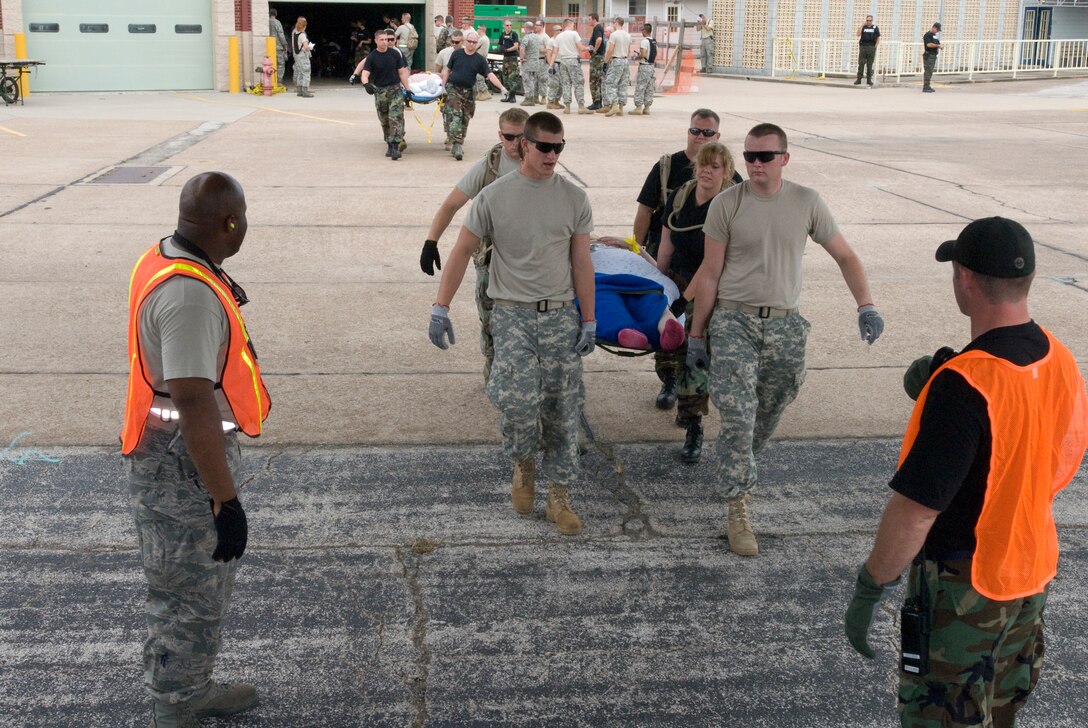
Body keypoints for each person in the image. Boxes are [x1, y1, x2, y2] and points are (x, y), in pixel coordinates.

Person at [845, 217, 1088, 727]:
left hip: (965, 591)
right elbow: (1057, 458)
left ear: (965, 279)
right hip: (1030, 575)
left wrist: (873, 584)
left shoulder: (964, 384)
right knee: (1000, 713)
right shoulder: (1058, 358)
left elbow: (914, 513)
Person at [686, 122, 884, 557]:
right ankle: (737, 506)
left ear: (784, 159)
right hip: (733, 321)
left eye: (765, 157)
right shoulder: (726, 204)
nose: (756, 164)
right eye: (750, 156)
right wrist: (697, 334)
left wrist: (865, 304)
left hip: (784, 324)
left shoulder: (806, 201)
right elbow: (711, 273)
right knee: (738, 413)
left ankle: (737, 460)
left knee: (773, 404)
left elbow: (846, 255)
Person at [122, 171, 270, 728]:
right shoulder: (188, 295)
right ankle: (178, 706)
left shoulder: (162, 257)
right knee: (190, 594)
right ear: (229, 223)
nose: (247, 226)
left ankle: (188, 688)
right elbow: (192, 400)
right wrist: (225, 501)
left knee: (188, 590)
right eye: (245, 216)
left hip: (170, 457)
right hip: (182, 467)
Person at [429, 112, 595, 537]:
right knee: (518, 405)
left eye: (560, 147)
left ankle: (559, 493)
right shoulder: (494, 196)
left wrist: (590, 318)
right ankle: (523, 463)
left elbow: (581, 261)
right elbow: (463, 251)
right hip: (513, 315)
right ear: (525, 146)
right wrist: (440, 306)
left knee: (563, 410)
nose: (552, 155)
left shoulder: (575, 199)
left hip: (559, 314)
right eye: (545, 147)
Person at [420, 108, 529, 381]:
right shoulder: (488, 167)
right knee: (491, 322)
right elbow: (451, 204)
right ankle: (495, 372)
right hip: (491, 259)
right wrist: (431, 241)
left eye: (523, 136)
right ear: (500, 135)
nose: (516, 144)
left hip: (530, 258)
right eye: (509, 136)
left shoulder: (542, 161)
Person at [632, 109, 726, 411]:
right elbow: (645, 211)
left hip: (711, 277)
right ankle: (669, 380)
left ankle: (692, 419)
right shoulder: (669, 168)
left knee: (697, 344)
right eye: (695, 131)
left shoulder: (732, 189)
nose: (699, 136)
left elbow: (714, 262)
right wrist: (635, 249)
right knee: (667, 337)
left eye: (707, 133)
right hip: (672, 268)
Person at [655, 142, 738, 463]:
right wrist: (658, 287)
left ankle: (693, 426)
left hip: (708, 288)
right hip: (675, 280)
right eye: (703, 164)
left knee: (694, 354)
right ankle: (669, 382)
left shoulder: (728, 205)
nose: (707, 170)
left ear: (726, 172)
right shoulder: (680, 197)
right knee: (662, 341)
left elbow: (712, 264)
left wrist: (683, 301)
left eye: (715, 166)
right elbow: (665, 244)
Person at [441, 31, 509, 161]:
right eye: (469, 41)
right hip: (453, 89)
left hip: (468, 93)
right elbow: (447, 70)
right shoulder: (456, 54)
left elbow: (490, 75)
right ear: (465, 42)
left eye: (474, 42)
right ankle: (456, 145)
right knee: (455, 115)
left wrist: (501, 87)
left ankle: (458, 141)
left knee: (465, 119)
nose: (471, 44)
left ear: (477, 44)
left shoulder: (480, 60)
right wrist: (443, 87)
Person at [351, 29, 410, 160]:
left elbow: (402, 73)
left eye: (387, 40)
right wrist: (366, 84)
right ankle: (389, 143)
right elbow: (365, 73)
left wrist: (408, 89)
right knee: (384, 120)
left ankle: (395, 146)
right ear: (376, 40)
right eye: (382, 40)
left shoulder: (395, 54)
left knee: (395, 118)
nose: (385, 42)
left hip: (395, 90)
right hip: (380, 92)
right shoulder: (372, 56)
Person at [434, 30, 464, 149]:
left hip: (463, 88)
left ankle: (458, 137)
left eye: (457, 42)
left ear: (462, 41)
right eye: (452, 42)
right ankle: (450, 136)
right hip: (448, 87)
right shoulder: (444, 53)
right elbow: (437, 70)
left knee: (463, 115)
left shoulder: (469, 52)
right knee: (448, 113)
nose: (454, 44)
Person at [555, 18, 591, 114]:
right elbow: (580, 47)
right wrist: (588, 48)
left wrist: (551, 65)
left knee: (566, 84)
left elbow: (555, 52)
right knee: (578, 83)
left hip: (563, 61)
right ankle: (581, 106)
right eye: (573, 25)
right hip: (573, 61)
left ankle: (567, 107)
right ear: (569, 25)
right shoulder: (574, 34)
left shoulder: (558, 36)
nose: (573, 26)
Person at [601, 16, 632, 117]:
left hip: (616, 60)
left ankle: (614, 105)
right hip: (625, 60)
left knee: (610, 83)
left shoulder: (614, 35)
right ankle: (621, 108)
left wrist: (605, 62)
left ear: (616, 23)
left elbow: (610, 50)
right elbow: (629, 50)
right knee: (623, 84)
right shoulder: (628, 35)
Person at [630, 23, 657, 115]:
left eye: (642, 30)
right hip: (651, 66)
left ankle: (638, 107)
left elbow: (643, 55)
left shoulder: (644, 41)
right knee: (649, 87)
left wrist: (635, 58)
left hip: (644, 66)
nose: (641, 32)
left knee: (641, 86)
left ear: (645, 31)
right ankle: (647, 107)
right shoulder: (654, 41)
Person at [519, 21, 544, 107]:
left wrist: (521, 58)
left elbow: (522, 48)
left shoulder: (526, 37)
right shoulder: (537, 37)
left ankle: (528, 99)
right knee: (532, 81)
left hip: (527, 63)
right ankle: (532, 97)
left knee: (526, 80)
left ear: (525, 28)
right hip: (535, 63)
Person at [498, 20, 522, 103]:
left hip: (512, 58)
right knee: (505, 77)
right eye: (507, 25)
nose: (509, 27)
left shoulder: (514, 34)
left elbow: (516, 46)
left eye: (510, 25)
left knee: (513, 77)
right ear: (504, 26)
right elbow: (500, 45)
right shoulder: (502, 35)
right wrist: (501, 49)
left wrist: (507, 50)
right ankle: (507, 96)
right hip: (505, 58)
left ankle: (513, 96)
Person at [291, 17, 315, 97]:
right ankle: (305, 91)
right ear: (304, 26)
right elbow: (306, 46)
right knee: (306, 73)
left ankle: (299, 90)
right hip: (303, 56)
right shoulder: (302, 35)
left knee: (300, 73)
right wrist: (310, 47)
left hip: (296, 55)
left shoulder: (294, 32)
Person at [588, 14, 606, 110]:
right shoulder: (599, 27)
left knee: (594, 80)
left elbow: (599, 39)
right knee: (597, 80)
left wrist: (595, 50)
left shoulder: (597, 28)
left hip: (597, 58)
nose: (588, 21)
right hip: (599, 57)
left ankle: (596, 102)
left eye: (589, 19)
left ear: (594, 19)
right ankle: (598, 101)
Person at [855, 15, 880, 86]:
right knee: (861, 63)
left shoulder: (875, 28)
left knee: (870, 64)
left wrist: (875, 46)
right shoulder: (863, 27)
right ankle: (859, 79)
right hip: (863, 47)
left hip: (871, 47)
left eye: (870, 20)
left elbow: (878, 37)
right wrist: (862, 25)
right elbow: (857, 34)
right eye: (867, 20)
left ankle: (869, 79)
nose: (868, 22)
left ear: (872, 21)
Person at [544, 24, 563, 109]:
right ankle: (550, 101)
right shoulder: (551, 41)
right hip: (554, 64)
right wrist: (550, 65)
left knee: (560, 84)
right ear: (556, 31)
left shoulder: (560, 40)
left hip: (561, 64)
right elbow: (548, 54)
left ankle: (556, 101)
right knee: (553, 84)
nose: (561, 31)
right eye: (559, 30)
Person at [268, 9, 289, 85]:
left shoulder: (266, 22)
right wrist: (285, 45)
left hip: (269, 46)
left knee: (270, 64)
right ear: (276, 14)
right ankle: (278, 81)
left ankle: (270, 80)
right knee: (280, 64)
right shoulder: (277, 22)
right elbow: (281, 34)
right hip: (278, 47)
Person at [474, 24, 493, 101]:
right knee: (478, 76)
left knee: (479, 77)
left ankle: (485, 92)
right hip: (482, 59)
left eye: (478, 29)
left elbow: (474, 48)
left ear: (481, 30)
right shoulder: (486, 38)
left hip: (480, 60)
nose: (477, 30)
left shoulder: (482, 39)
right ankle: (480, 93)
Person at [922, 22, 942, 92]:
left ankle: (928, 85)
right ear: (934, 27)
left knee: (930, 71)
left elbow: (937, 43)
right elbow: (929, 45)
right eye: (937, 30)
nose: (937, 31)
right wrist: (938, 46)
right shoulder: (928, 35)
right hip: (929, 55)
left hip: (933, 56)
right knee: (928, 71)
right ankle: (926, 87)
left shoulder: (934, 36)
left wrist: (939, 46)